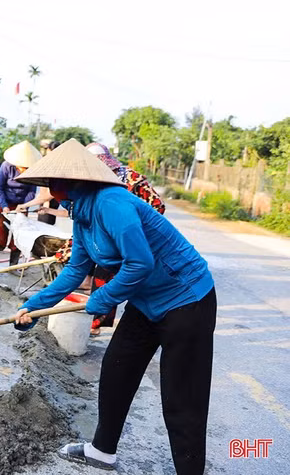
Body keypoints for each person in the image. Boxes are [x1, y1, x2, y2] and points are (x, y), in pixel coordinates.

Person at [14, 139, 216, 475]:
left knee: (182, 399)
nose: (50, 191)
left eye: (54, 185)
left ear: (72, 184)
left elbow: (140, 263)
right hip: (146, 302)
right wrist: (32, 308)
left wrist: (102, 300)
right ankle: (102, 451)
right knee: (117, 369)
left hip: (186, 299)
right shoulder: (82, 215)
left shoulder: (112, 203)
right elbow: (75, 271)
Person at [85, 142, 166, 334]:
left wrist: (136, 228)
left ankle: (150, 323)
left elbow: (158, 205)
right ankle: (97, 322)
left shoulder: (132, 178)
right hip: (110, 242)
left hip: (135, 241)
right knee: (104, 281)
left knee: (139, 282)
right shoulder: (95, 183)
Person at [0, 141, 41, 270]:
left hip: (22, 203)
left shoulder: (32, 171)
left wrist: (23, 206)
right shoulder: (6, 166)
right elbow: (0, 188)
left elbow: (32, 191)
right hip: (4, 201)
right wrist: (4, 206)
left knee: (19, 233)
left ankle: (13, 265)